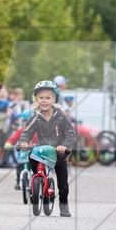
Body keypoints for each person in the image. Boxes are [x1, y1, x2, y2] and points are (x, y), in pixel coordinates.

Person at [18, 80, 77, 217]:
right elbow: (26, 132)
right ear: (36, 100)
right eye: (41, 98)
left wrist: (65, 145)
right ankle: (39, 180)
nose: (44, 101)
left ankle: (64, 204)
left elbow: (70, 133)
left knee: (63, 183)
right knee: (32, 156)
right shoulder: (35, 117)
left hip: (58, 152)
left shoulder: (60, 116)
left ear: (54, 100)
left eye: (48, 98)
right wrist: (23, 142)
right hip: (42, 150)